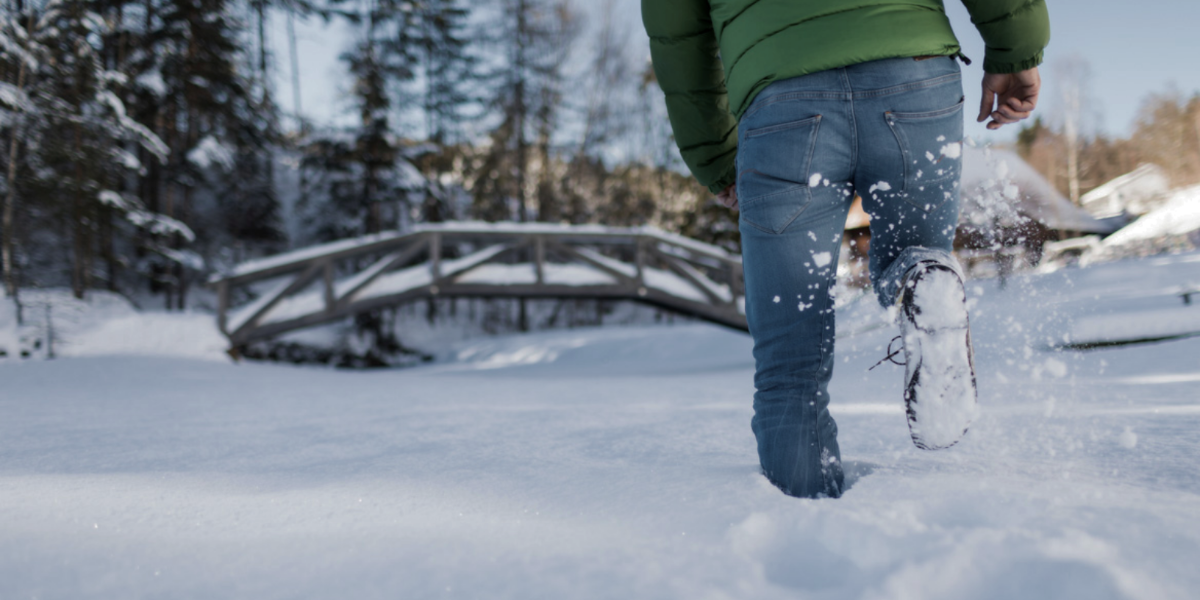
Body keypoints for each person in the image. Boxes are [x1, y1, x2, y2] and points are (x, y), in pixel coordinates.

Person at [642, 0, 1048, 498]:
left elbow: (677, 37)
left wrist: (715, 156)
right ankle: (921, 271)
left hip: (780, 104)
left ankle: (804, 526)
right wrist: (1016, 50)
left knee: (790, 363)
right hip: (915, 76)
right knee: (914, 259)